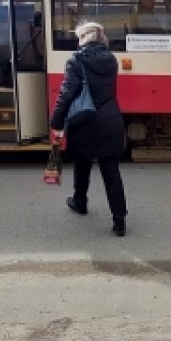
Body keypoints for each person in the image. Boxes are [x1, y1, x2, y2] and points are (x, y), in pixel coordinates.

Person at [49, 21, 128, 235]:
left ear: (82, 38)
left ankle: (80, 202)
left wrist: (56, 121)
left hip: (84, 122)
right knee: (111, 171)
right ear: (101, 38)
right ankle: (119, 220)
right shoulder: (111, 60)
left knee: (82, 163)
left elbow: (66, 94)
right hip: (110, 121)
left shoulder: (76, 60)